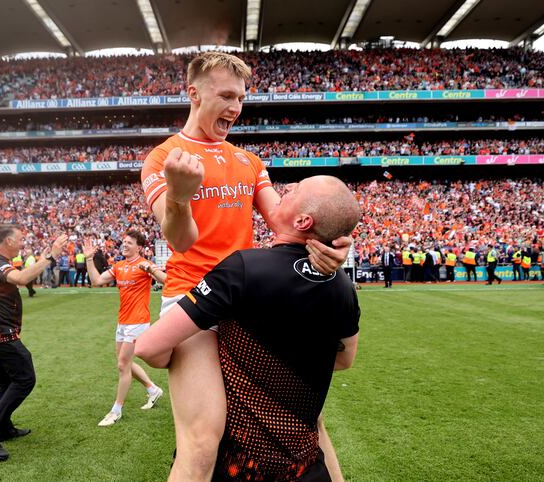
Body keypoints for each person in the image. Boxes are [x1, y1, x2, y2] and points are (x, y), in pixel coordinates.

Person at [140, 52, 350, 481]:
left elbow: (285, 223)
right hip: (193, 303)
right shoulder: (165, 159)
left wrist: (335, 246)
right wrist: (180, 197)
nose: (236, 107)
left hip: (248, 302)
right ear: (194, 93)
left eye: (242, 97)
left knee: (307, 425)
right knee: (203, 438)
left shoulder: (249, 162)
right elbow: (180, 240)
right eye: (226, 95)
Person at [136, 176, 360, 482]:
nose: (286, 190)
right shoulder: (344, 288)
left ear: (304, 220)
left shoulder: (243, 268)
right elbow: (345, 359)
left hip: (240, 470)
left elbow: (148, 348)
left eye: (296, 189)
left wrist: (202, 348)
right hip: (307, 471)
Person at [0, 225, 67, 462]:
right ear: (8, 241)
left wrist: (45, 257)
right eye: (21, 239)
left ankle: (2, 426)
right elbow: (22, 278)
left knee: (8, 379)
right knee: (25, 378)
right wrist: (51, 256)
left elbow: (22, 274)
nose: (24, 243)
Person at [83, 229, 167, 427]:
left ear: (139, 247)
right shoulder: (119, 266)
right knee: (124, 363)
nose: (125, 245)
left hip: (138, 322)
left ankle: (116, 411)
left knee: (123, 365)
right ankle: (153, 389)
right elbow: (96, 281)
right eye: (124, 242)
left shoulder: (144, 264)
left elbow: (166, 280)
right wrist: (88, 259)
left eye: (129, 242)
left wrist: (152, 270)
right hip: (123, 321)